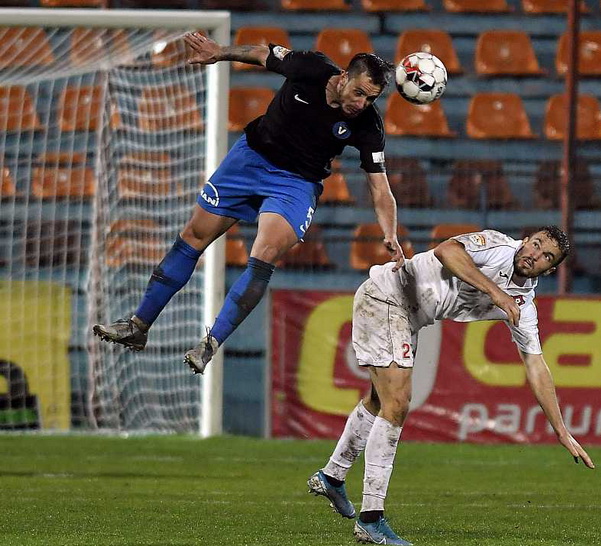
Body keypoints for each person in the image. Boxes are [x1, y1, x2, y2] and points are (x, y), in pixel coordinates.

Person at [93, 32, 405, 374]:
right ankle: (139, 326)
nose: (361, 103)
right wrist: (219, 52)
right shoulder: (311, 67)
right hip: (249, 159)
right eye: (359, 92)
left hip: (296, 184)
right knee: (192, 237)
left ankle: (210, 344)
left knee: (264, 253)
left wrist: (389, 232)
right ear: (343, 77)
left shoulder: (368, 125)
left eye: (370, 98)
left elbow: (379, 186)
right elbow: (261, 53)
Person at [307, 226, 595, 546]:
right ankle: (370, 518)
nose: (535, 255)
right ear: (526, 239)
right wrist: (494, 292)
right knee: (398, 403)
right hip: (388, 295)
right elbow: (447, 251)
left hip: (408, 316)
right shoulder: (496, 245)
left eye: (546, 256)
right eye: (536, 245)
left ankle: (332, 476)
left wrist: (561, 431)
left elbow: (536, 366)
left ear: (551, 269)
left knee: (380, 401)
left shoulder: (523, 304)